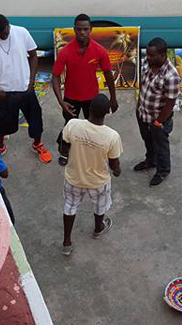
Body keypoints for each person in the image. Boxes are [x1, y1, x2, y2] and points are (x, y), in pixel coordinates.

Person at [0, 14, 52, 163]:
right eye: (0, 34)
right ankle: (0, 146)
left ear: (9, 26)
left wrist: (31, 82)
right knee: (1, 121)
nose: (4, 35)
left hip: (25, 89)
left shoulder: (21, 32)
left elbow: (33, 56)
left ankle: (37, 144)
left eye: (6, 31)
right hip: (3, 92)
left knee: (35, 118)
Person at [60, 93, 122, 256]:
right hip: (98, 181)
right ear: (107, 112)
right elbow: (114, 163)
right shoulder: (112, 136)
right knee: (100, 205)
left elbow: (64, 145)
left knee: (70, 206)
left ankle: (67, 241)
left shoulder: (73, 124)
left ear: (90, 109)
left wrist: (66, 156)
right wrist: (116, 171)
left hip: (74, 178)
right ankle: (98, 228)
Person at [51, 14, 118, 166]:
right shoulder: (66, 52)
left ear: (91, 30)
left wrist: (113, 98)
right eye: (79, 29)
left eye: (85, 29)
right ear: (74, 30)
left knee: (92, 127)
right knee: (69, 126)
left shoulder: (99, 51)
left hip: (91, 98)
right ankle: (64, 151)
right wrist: (61, 102)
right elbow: (55, 76)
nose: (82, 32)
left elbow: (108, 74)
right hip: (70, 99)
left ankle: (89, 152)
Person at [133, 37, 180, 186]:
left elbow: (170, 103)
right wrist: (139, 105)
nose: (148, 58)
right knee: (148, 141)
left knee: (161, 147)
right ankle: (150, 161)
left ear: (162, 55)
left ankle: (163, 170)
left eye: (152, 55)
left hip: (158, 119)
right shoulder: (148, 62)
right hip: (143, 113)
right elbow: (143, 84)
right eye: (147, 54)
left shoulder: (171, 75)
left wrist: (159, 122)